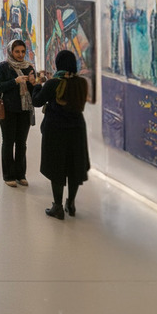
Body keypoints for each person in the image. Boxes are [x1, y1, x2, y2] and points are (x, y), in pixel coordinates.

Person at [33, 50, 91, 219]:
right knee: (74, 166)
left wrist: (37, 84)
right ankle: (71, 204)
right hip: (77, 130)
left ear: (58, 64)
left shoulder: (53, 84)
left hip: (55, 130)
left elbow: (37, 101)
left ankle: (57, 207)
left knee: (56, 167)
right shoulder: (81, 82)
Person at [0, 39, 44, 187]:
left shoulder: (29, 67)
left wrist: (34, 83)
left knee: (22, 143)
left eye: (23, 51)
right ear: (10, 51)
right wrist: (15, 81)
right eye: (17, 52)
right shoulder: (3, 67)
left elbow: (33, 90)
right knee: (8, 142)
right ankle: (8, 175)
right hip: (7, 110)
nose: (20, 54)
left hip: (24, 110)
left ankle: (20, 174)